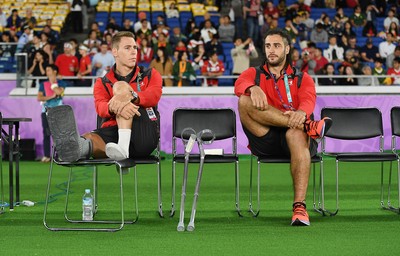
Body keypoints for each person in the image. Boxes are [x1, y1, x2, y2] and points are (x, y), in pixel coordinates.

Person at [234, 28, 332, 226]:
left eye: (277, 46)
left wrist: (301, 115)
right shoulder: (254, 74)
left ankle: (299, 207)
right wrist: (252, 88)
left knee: (296, 133)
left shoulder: (302, 77)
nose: (271, 50)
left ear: (287, 49)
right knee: (243, 102)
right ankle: (309, 126)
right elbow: (239, 83)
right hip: (266, 138)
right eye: (268, 46)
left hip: (296, 139)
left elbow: (308, 101)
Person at [47, 31, 162, 162]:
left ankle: (122, 149)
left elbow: (154, 95)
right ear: (115, 52)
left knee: (121, 87)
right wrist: (114, 106)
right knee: (91, 137)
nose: (133, 51)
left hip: (144, 130)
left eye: (135, 47)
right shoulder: (102, 82)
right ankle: (76, 148)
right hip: (114, 131)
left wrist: (129, 97)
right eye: (127, 48)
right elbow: (100, 107)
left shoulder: (150, 73)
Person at [37, 64, 66, 162]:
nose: (47, 72)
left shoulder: (61, 82)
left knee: (57, 134)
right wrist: (51, 96)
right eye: (46, 70)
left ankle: (59, 155)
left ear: (55, 71)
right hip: (45, 111)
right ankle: (46, 156)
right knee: (46, 133)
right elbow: (39, 98)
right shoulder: (42, 84)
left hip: (58, 112)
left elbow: (59, 92)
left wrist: (53, 84)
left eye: (49, 70)